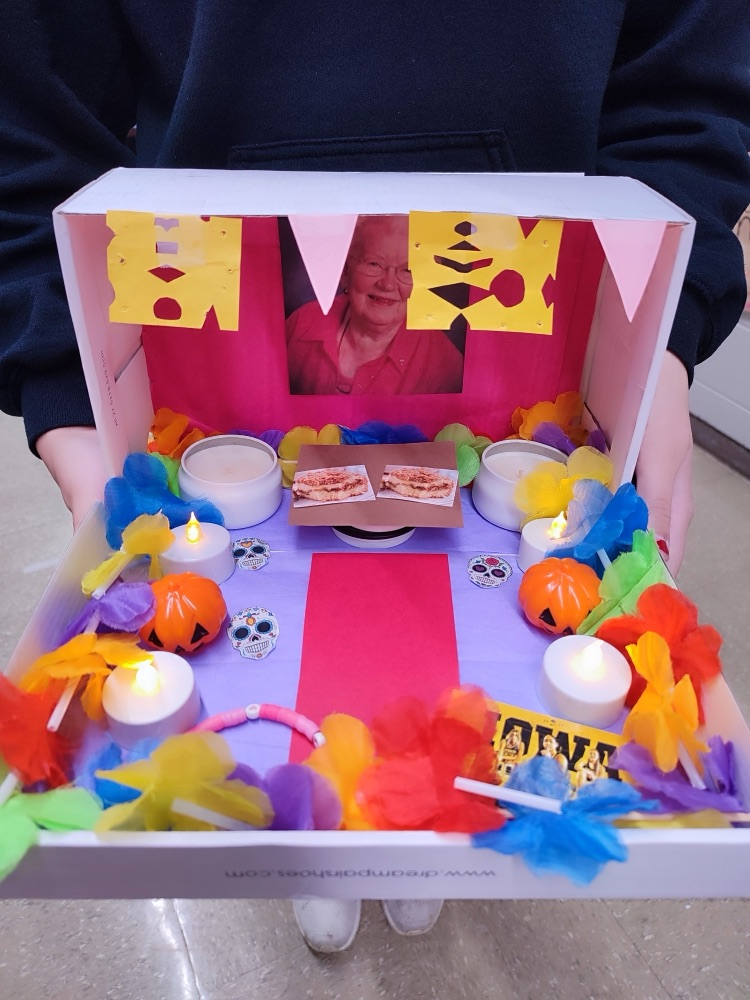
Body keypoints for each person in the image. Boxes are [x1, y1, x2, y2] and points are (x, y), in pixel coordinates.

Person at [1, 1, 749, 954]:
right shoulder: (304, 340)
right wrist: (72, 393)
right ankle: (321, 837)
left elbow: (681, 84)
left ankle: (421, 822)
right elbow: (32, 108)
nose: (388, 286)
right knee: (277, 740)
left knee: (465, 698)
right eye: (368, 271)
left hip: (525, 393)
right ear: (339, 283)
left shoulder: (436, 347)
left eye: (402, 273)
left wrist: (658, 342)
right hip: (216, 384)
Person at [286, 215, 464, 395]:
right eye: (374, 264)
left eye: (407, 270)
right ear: (346, 271)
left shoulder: (444, 364)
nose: (387, 284)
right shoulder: (301, 324)